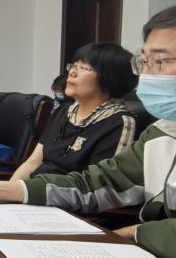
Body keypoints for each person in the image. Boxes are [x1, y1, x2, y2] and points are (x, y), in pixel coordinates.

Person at [0, 4, 176, 258]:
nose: (146, 74)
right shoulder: (163, 131)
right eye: (144, 61)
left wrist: (129, 234)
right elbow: (97, 183)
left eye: (160, 61)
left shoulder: (122, 120)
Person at [8, 43, 137, 181]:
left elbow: (101, 184)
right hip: (33, 188)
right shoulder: (64, 111)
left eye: (83, 68)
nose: (72, 73)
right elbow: (33, 163)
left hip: (64, 193)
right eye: (73, 66)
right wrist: (7, 189)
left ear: (110, 78)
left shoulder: (119, 122)